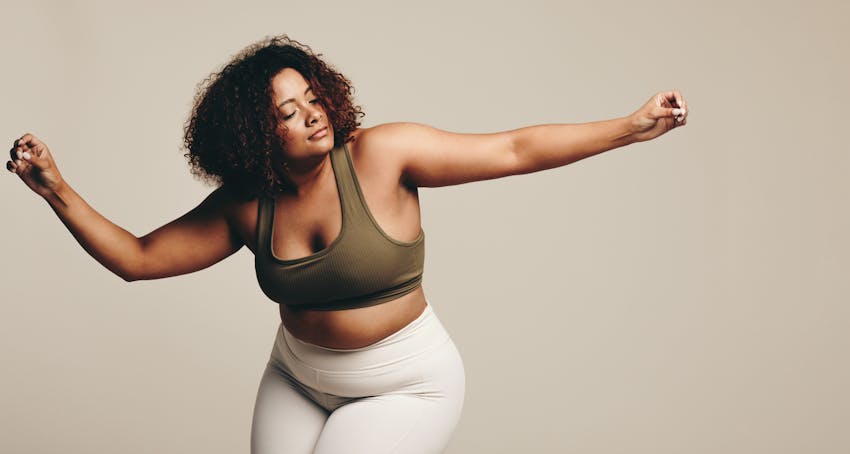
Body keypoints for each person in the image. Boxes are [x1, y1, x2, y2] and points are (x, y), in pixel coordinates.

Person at [5, 34, 689, 454]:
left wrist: (630, 126)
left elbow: (513, 148)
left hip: (408, 386)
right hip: (298, 380)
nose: (311, 116)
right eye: (286, 112)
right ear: (252, 135)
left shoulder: (384, 155)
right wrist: (54, 188)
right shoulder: (247, 204)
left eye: (312, 98)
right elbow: (139, 260)